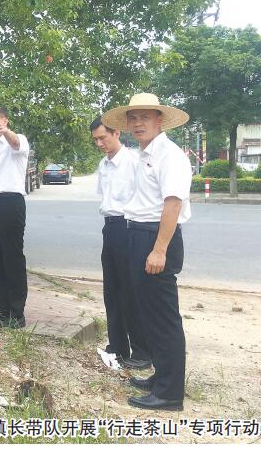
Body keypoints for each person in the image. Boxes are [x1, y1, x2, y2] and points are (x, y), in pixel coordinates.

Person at [101, 93, 192, 412]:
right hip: (138, 235)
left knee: (163, 317)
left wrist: (159, 250)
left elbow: (173, 203)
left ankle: (169, 394)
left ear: (159, 120)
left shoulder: (170, 154)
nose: (138, 123)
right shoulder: (144, 154)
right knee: (149, 314)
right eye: (133, 118)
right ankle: (161, 378)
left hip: (156, 238)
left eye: (145, 117)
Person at [90, 117, 151, 369]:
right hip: (111, 227)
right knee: (112, 290)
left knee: (131, 292)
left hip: (130, 228)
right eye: (95, 140)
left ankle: (142, 351)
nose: (100, 143)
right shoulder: (104, 165)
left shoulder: (134, 161)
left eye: (103, 137)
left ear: (117, 133)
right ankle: (117, 347)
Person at [0, 106, 30, 328]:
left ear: (5, 121)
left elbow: (16, 143)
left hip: (11, 201)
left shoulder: (16, 139)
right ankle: (2, 307)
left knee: (12, 257)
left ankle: (17, 313)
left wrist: (5, 132)